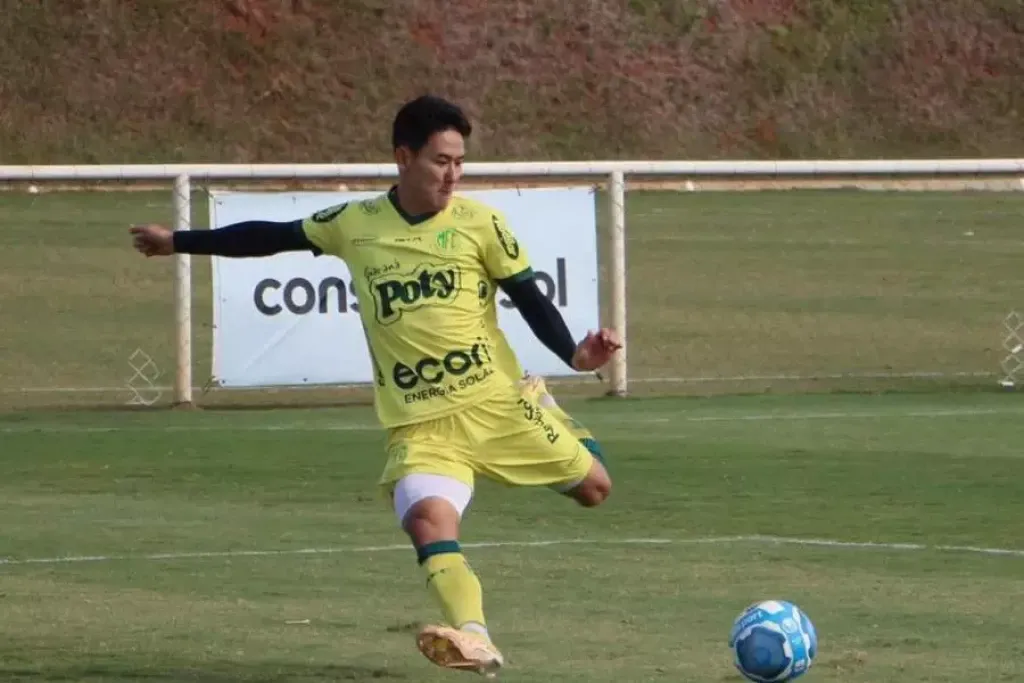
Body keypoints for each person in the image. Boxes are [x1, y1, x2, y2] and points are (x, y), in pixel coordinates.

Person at [130, 94, 621, 677]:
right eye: (442, 161)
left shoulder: (480, 223)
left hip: (496, 403)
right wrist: (178, 242)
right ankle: (475, 636)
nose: (453, 174)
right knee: (428, 521)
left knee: (595, 490)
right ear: (403, 157)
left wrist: (573, 353)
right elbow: (271, 236)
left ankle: (546, 406)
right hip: (419, 421)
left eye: (460, 161)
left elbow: (530, 297)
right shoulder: (355, 225)